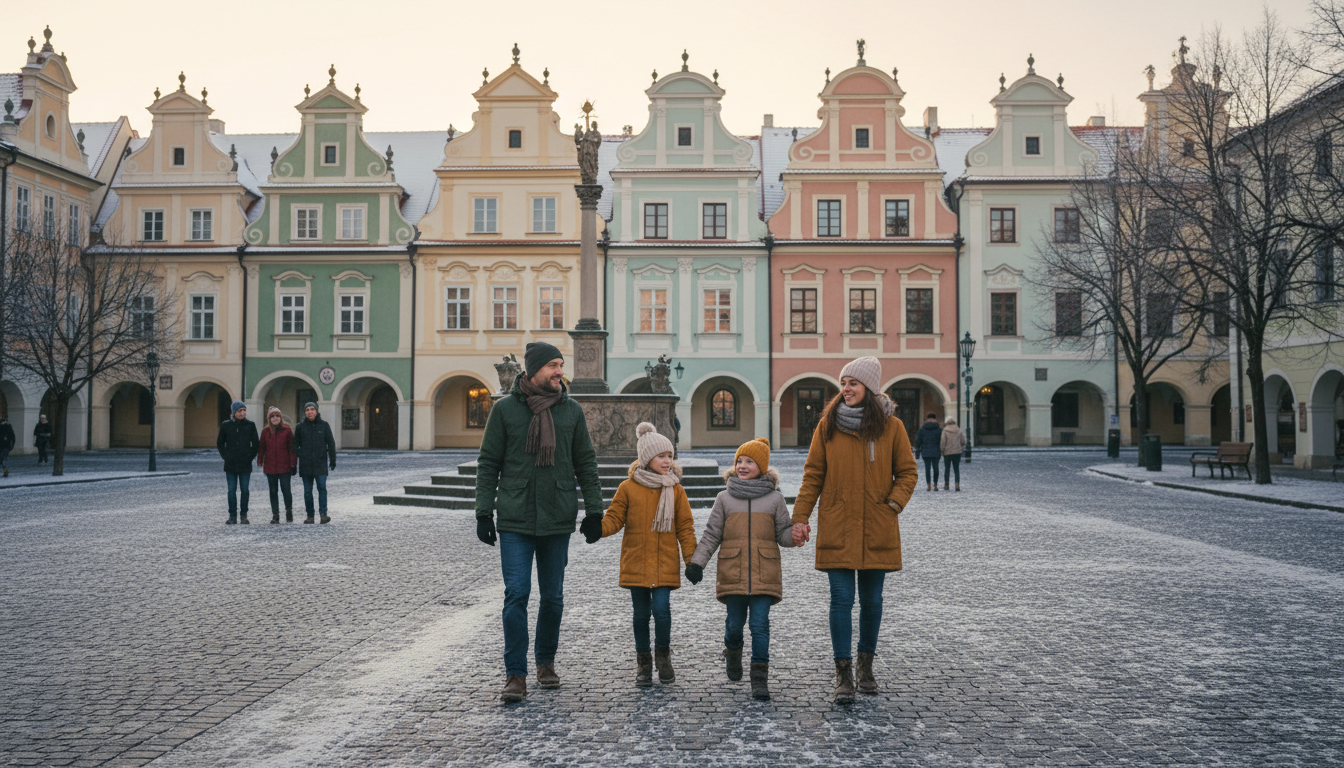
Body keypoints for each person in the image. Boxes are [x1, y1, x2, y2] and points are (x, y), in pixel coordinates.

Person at [475, 341, 603, 703]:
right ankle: (515, 674)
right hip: (515, 517)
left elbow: (586, 464)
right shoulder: (504, 411)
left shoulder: (571, 411)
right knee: (516, 595)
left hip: (557, 516)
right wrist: (484, 511)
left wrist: (595, 511)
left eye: (561, 364)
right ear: (533, 371)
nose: (559, 371)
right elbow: (488, 464)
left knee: (554, 598)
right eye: (552, 365)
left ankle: (545, 662)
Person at [791, 355, 918, 703]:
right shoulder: (828, 425)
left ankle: (866, 667)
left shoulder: (893, 428)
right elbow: (813, 474)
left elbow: (907, 472)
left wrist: (892, 504)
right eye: (843, 383)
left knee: (873, 602)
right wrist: (800, 517)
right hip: (838, 524)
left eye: (853, 383)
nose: (846, 389)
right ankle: (843, 674)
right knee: (841, 601)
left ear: (869, 388)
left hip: (877, 525)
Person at [687, 436, 796, 701]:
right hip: (732, 572)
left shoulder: (775, 499)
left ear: (763, 467)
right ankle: (733, 651)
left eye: (749, 461)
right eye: (739, 461)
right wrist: (697, 562)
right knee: (735, 625)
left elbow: (782, 533)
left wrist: (794, 536)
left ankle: (759, 677)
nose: (742, 465)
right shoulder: (724, 498)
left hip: (764, 572)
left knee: (760, 626)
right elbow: (712, 534)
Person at [596, 422, 697, 688]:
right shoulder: (628, 488)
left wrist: (692, 560)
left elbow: (685, 527)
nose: (667, 461)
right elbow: (614, 519)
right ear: (646, 458)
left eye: (670, 456)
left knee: (662, 611)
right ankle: (643, 662)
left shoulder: (675, 489)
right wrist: (598, 528)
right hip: (636, 561)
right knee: (640, 615)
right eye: (661, 456)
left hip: (664, 562)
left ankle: (663, 656)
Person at [216, 401, 259, 525]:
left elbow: (255, 444)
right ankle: (232, 515)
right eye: (239, 411)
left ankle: (244, 515)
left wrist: (249, 457)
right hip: (230, 464)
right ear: (234, 412)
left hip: (245, 464)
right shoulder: (226, 425)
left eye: (244, 410)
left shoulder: (250, 425)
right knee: (231, 490)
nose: (242, 413)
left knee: (245, 490)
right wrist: (226, 456)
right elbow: (220, 443)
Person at [294, 402, 336, 524]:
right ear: (305, 412)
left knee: (322, 488)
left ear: (316, 411)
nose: (310, 412)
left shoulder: (324, 425)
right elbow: (295, 444)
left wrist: (333, 460)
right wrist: (300, 454)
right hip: (306, 464)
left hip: (320, 463)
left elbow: (331, 443)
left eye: (312, 409)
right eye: (307, 410)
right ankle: (310, 516)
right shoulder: (300, 427)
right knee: (307, 491)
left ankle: (323, 514)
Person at [257, 406, 298, 523]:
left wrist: (293, 463)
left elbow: (291, 448)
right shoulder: (265, 432)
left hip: (284, 466)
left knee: (286, 490)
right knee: (273, 491)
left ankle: (289, 511)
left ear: (281, 417)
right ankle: (275, 514)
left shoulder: (287, 430)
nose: (275, 418)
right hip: (270, 467)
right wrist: (260, 460)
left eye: (277, 416)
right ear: (269, 419)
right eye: (272, 416)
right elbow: (262, 448)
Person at [914, 413, 943, 492]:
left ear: (927, 419)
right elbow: (942, 441)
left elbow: (918, 440)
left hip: (926, 451)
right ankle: (935, 484)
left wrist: (918, 448)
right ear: (935, 419)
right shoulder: (938, 429)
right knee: (935, 468)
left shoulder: (922, 429)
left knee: (927, 468)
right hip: (936, 451)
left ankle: (928, 485)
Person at [940, 416, 967, 492]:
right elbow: (963, 441)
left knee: (947, 469)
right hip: (957, 452)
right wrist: (961, 446)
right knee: (956, 469)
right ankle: (957, 485)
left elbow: (943, 442)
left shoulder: (945, 430)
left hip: (947, 452)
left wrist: (942, 451)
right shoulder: (958, 429)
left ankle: (946, 484)